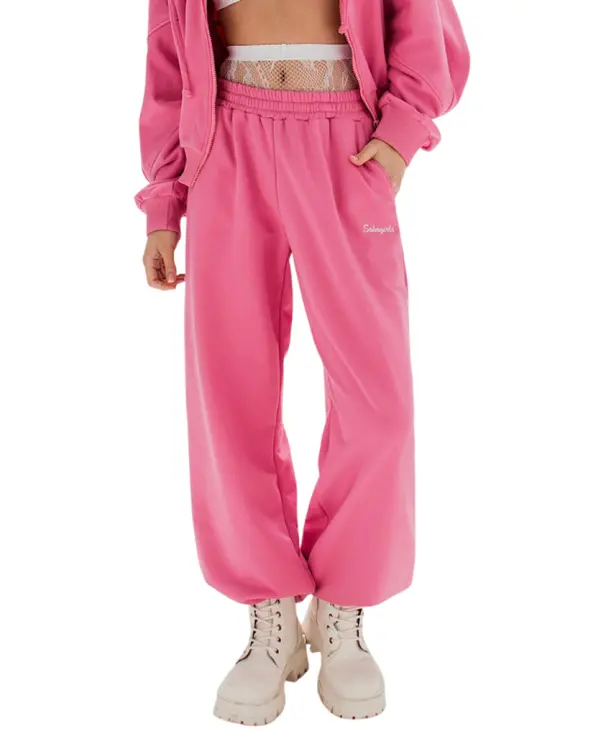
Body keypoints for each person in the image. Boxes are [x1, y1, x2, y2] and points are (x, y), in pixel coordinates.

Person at [135, 0, 469, 726]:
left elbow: (423, 20)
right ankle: (270, 609)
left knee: (379, 403)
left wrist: (399, 134)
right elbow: (167, 61)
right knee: (230, 396)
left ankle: (343, 605)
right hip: (226, 143)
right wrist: (165, 205)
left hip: (346, 140)